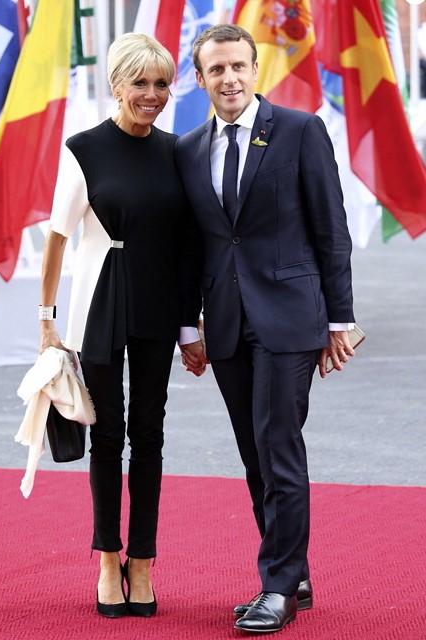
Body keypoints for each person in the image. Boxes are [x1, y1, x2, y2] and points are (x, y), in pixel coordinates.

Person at [177, 24, 355, 634]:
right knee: (255, 455)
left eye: (238, 66)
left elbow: (331, 228)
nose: (229, 78)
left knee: (279, 447)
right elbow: (191, 247)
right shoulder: (188, 149)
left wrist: (340, 318)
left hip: (291, 317)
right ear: (200, 79)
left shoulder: (301, 131)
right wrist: (187, 326)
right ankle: (293, 572)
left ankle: (277, 587)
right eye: (216, 69)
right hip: (226, 324)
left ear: (255, 70)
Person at [39, 33, 204, 619]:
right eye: (140, 82)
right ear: (116, 85)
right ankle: (108, 557)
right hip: (100, 306)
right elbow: (57, 239)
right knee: (108, 434)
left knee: (150, 434)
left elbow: (188, 246)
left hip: (158, 303)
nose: (152, 94)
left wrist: (191, 325)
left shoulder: (178, 150)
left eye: (162, 83)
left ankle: (143, 561)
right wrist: (46, 321)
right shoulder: (83, 149)